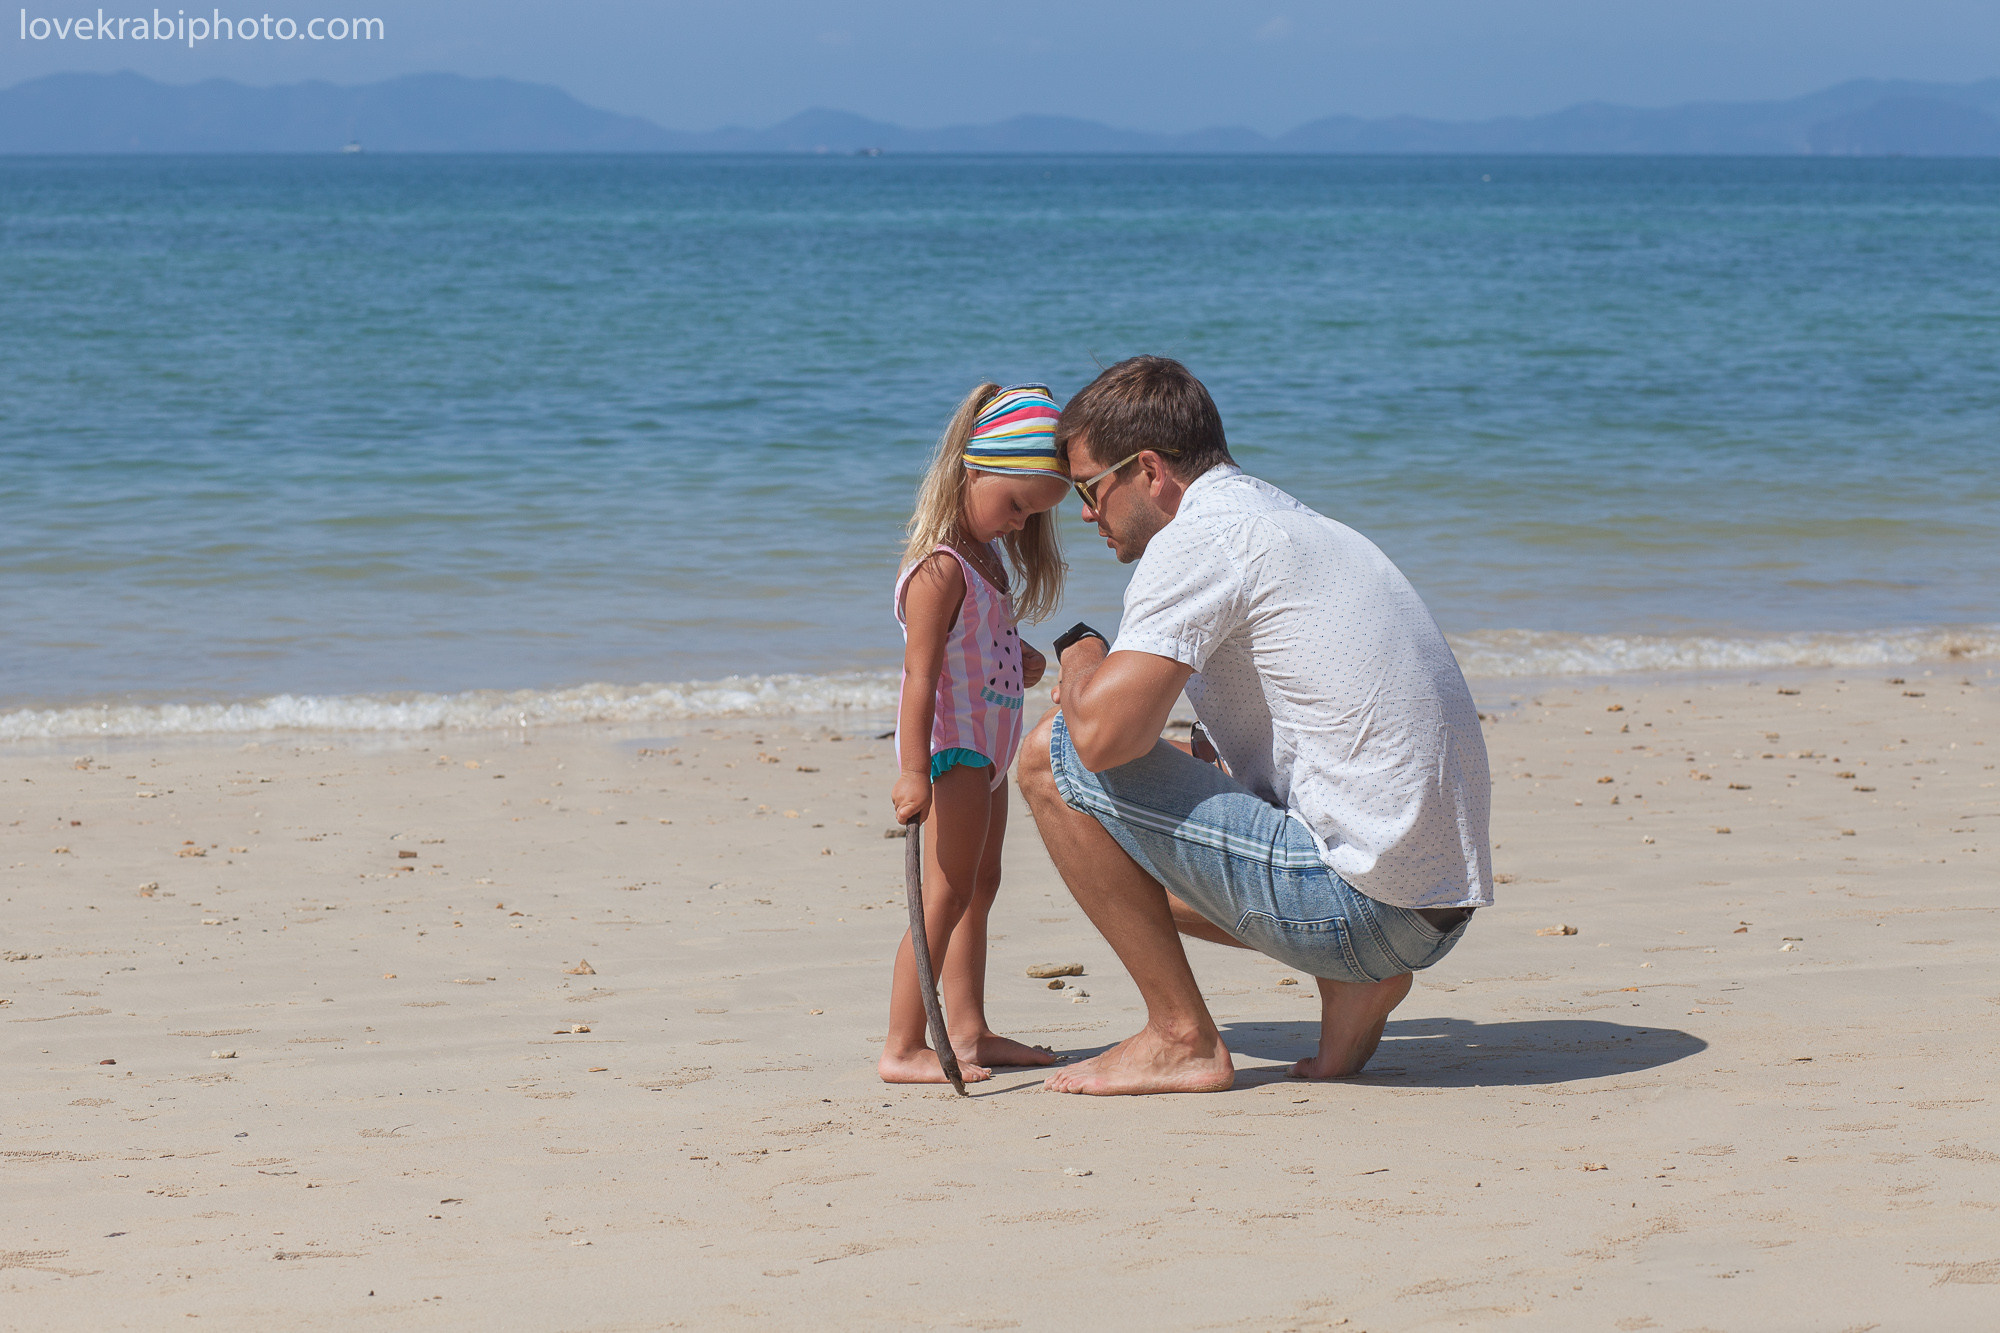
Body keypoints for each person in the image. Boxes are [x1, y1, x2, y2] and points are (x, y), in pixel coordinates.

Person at [1016, 356, 1493, 1096]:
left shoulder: (1200, 538)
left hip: (1362, 905)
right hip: (1434, 902)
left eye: (1088, 488)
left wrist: (1081, 652)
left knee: (1053, 760)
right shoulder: (1292, 519)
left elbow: (1099, 740)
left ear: (1149, 470)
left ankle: (1181, 1037)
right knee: (1145, 801)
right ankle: (1353, 983)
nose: (1084, 513)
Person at [881, 383, 1074, 1085]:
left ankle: (967, 1029)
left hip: (991, 751)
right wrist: (911, 770)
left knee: (980, 885)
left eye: (1034, 516)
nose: (1021, 525)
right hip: (956, 750)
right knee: (945, 892)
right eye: (1017, 505)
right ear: (974, 468)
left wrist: (1016, 659)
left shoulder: (987, 564)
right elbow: (920, 677)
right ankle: (903, 1043)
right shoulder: (940, 569)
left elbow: (978, 653)